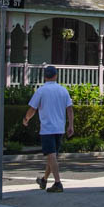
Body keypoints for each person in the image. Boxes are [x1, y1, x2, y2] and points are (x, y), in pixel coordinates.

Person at [23, 64, 74, 192]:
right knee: (53, 157)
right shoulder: (63, 90)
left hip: (47, 128)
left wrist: (26, 119)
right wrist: (71, 125)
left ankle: (58, 183)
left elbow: (32, 109)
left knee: (51, 156)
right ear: (56, 76)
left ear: (45, 77)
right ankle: (44, 180)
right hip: (59, 128)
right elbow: (70, 109)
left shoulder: (41, 91)